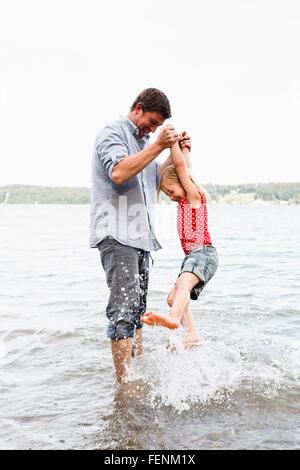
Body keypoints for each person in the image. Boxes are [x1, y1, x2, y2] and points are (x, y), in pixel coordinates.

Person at [90, 88, 184, 382]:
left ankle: (137, 369)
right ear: (139, 108)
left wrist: (174, 151)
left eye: (158, 126)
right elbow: (119, 173)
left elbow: (151, 177)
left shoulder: (144, 143)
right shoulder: (113, 132)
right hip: (117, 234)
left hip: (140, 237)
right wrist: (158, 146)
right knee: (123, 308)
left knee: (138, 308)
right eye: (152, 122)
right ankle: (124, 384)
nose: (153, 129)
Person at [141, 137, 219, 349]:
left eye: (171, 191)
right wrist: (184, 148)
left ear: (183, 184)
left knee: (183, 286)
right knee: (173, 297)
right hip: (193, 256)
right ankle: (192, 333)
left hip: (203, 253)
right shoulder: (185, 201)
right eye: (166, 194)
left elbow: (182, 168)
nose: (170, 196)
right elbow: (186, 167)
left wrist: (173, 143)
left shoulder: (195, 198)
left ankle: (174, 320)